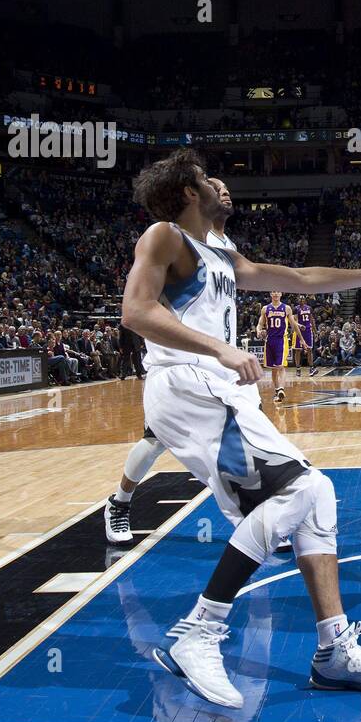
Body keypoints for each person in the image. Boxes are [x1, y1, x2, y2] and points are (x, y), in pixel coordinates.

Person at [120, 149, 361, 706]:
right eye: (211, 181)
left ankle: (333, 651)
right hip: (190, 387)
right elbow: (134, 311)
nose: (223, 189)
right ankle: (199, 633)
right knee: (301, 489)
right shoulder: (164, 237)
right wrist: (220, 348)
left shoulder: (222, 252)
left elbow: (300, 278)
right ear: (188, 193)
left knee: (317, 496)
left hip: (219, 394)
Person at [106, 176, 241, 545]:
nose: (224, 190)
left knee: (241, 438)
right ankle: (119, 502)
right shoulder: (178, 239)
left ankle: (250, 512)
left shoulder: (225, 247)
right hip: (181, 368)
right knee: (154, 441)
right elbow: (140, 306)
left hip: (220, 370)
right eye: (217, 186)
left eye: (227, 187)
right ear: (196, 196)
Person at [256, 291, 294, 405]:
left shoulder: (286, 308)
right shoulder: (265, 309)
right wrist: (258, 330)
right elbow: (260, 323)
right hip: (269, 340)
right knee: (273, 369)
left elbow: (292, 323)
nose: (276, 294)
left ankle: (281, 388)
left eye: (278, 292)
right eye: (273, 292)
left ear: (281, 294)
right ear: (271, 294)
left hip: (281, 340)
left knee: (280, 366)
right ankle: (278, 391)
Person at [291, 295, 316, 376]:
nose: (301, 300)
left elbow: (312, 320)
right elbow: (294, 321)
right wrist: (299, 325)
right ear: (298, 300)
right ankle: (298, 369)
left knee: (309, 350)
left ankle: (311, 369)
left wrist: (315, 331)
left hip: (308, 331)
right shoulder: (295, 308)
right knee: (298, 350)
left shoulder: (309, 308)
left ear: (305, 300)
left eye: (303, 299)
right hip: (299, 331)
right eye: (300, 299)